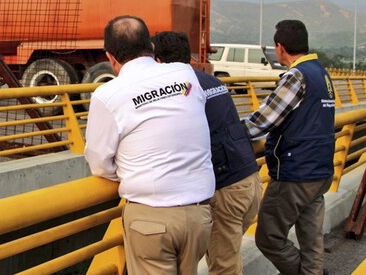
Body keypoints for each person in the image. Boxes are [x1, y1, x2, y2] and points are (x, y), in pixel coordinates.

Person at [84, 16, 214, 275]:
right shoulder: (185, 74)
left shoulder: (107, 94)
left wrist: (130, 170)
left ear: (110, 57)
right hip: (199, 215)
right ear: (151, 47)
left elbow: (98, 162)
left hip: (151, 218)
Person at [152, 31, 262, 275]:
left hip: (225, 188)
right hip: (249, 179)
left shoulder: (179, 90)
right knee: (224, 255)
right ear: (188, 57)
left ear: (158, 61)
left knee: (224, 266)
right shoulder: (211, 81)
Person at [242, 20, 335, 275]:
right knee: (311, 239)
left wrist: (232, 132)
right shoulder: (321, 72)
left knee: (268, 237)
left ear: (280, 47)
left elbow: (264, 120)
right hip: (321, 169)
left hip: (295, 172)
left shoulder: (297, 75)